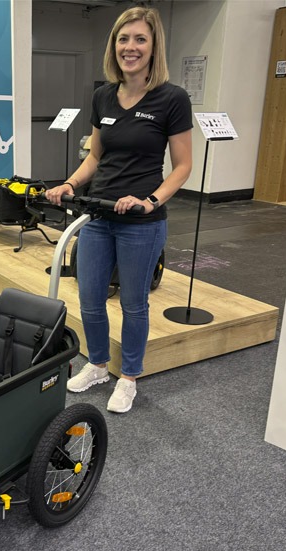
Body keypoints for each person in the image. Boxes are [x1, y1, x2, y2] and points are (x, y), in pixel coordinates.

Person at [45, 6, 192, 413]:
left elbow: (182, 166)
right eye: (123, 39)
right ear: (114, 45)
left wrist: (149, 202)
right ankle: (96, 365)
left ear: (153, 46)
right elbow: (95, 157)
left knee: (133, 303)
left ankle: (129, 377)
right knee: (90, 298)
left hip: (141, 223)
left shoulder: (172, 99)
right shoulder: (103, 95)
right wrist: (71, 183)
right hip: (97, 215)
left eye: (140, 39)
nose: (130, 47)